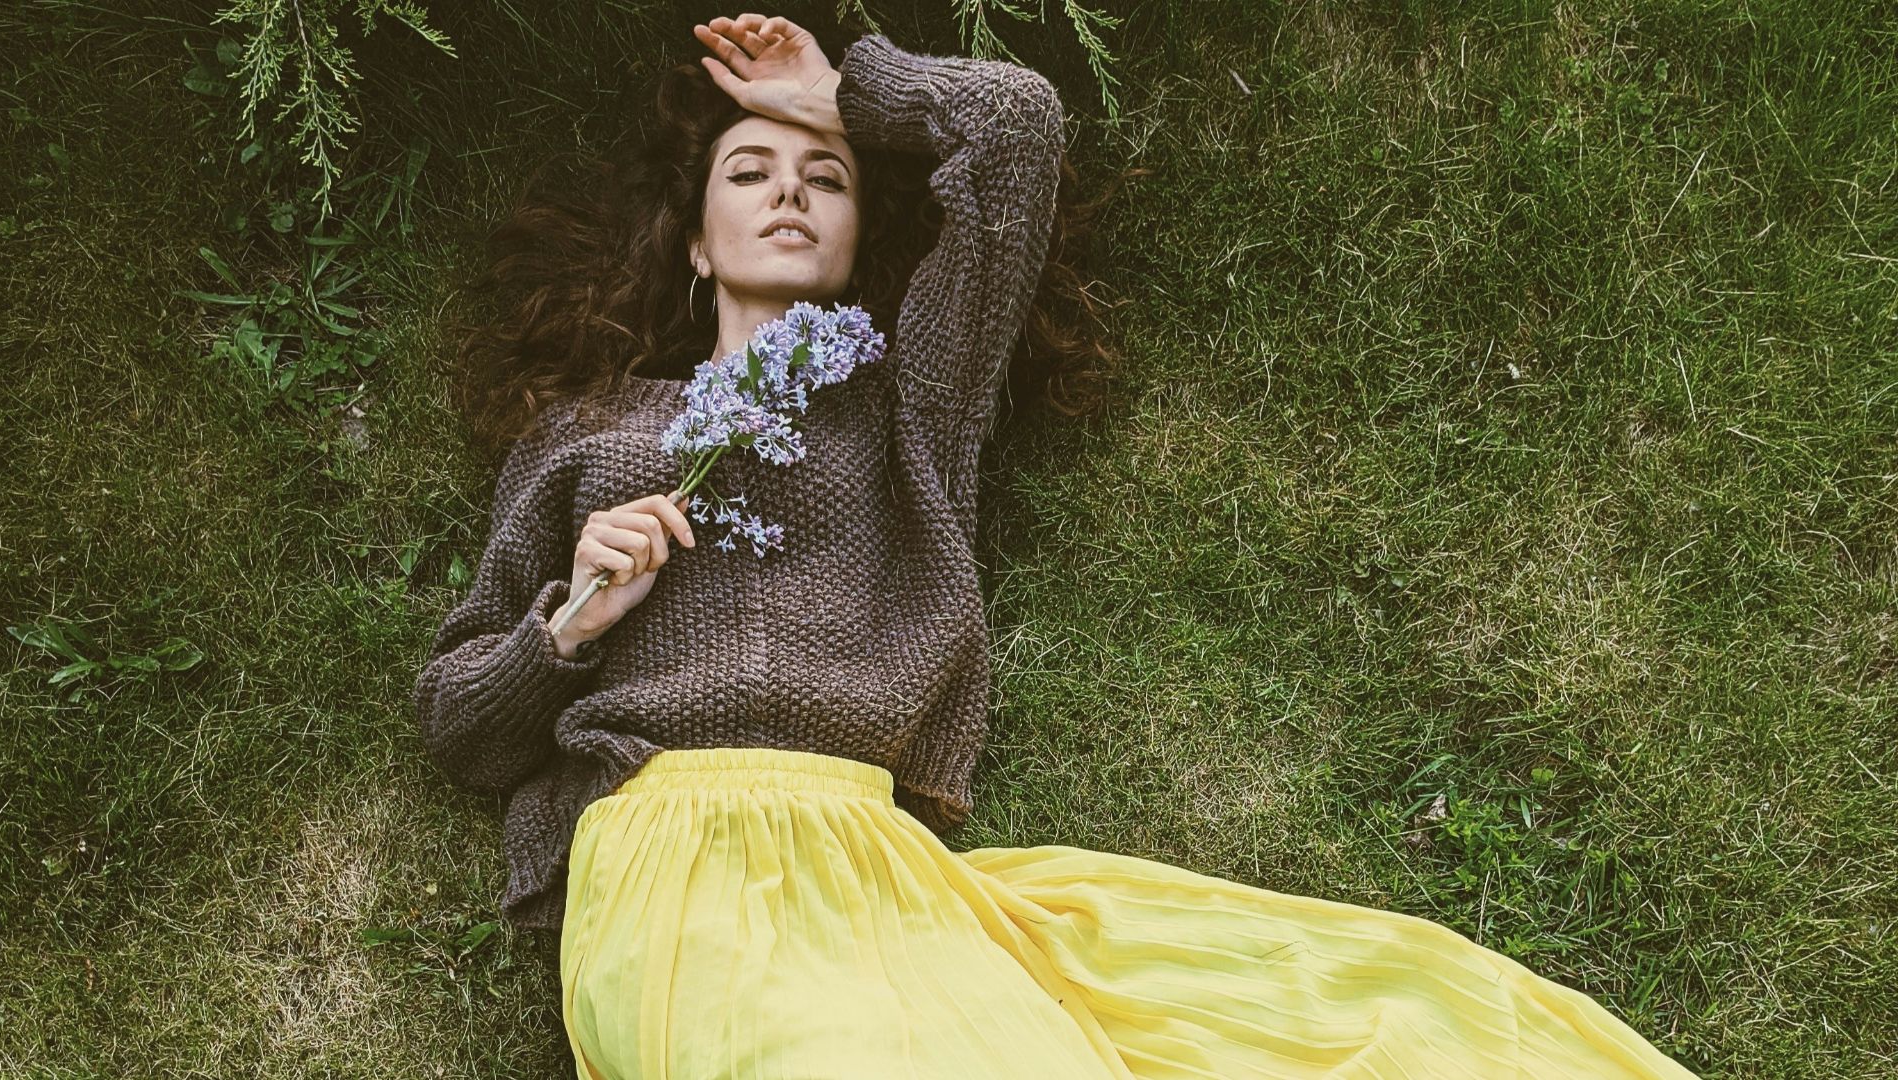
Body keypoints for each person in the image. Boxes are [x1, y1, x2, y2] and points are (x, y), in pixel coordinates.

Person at [415, 13, 1701, 1078]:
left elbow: (1018, 130)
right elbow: (460, 728)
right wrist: (567, 626)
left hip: (872, 861)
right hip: (660, 848)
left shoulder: (906, 403)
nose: (792, 193)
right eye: (749, 175)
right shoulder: (587, 435)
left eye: (824, 178)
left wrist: (838, 94)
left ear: (866, 237)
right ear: (696, 242)